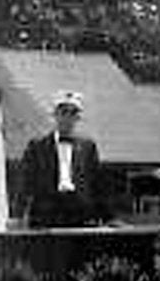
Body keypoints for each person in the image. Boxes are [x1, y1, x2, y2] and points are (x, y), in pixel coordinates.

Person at [15, 91, 105, 229]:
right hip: (46, 214)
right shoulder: (37, 146)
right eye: (63, 112)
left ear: (78, 118)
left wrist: (107, 217)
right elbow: (25, 183)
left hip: (80, 213)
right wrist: (17, 216)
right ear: (55, 115)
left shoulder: (88, 147)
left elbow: (97, 184)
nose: (67, 118)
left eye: (73, 113)